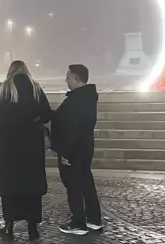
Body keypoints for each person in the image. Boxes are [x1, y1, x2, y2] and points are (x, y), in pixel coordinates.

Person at [0, 60, 52, 241]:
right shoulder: (35, 88)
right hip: (31, 145)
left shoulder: (3, 88)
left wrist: (7, 121)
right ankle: (32, 227)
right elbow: (47, 113)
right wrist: (34, 120)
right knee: (31, 184)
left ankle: (9, 226)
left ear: (10, 72)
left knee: (10, 183)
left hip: (9, 145)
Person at [51, 64, 103, 235]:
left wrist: (65, 152)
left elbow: (72, 128)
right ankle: (94, 219)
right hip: (85, 146)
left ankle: (78, 223)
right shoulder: (87, 97)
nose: (65, 80)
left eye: (68, 77)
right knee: (86, 182)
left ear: (76, 79)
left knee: (73, 185)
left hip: (74, 150)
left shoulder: (76, 100)